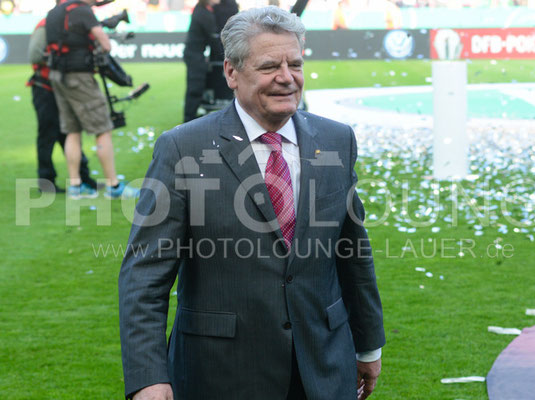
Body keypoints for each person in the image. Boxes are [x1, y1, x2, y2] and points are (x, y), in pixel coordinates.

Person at [119, 6, 384, 400]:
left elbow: (352, 251)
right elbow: (145, 274)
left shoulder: (336, 140)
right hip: (220, 372)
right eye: (268, 66)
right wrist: (148, 376)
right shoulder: (182, 148)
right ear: (231, 72)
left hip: (323, 366)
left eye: (295, 64)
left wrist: (367, 343)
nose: (286, 78)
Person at [45, 0, 139, 199]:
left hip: (57, 75)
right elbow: (105, 44)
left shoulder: (55, 12)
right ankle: (113, 186)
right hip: (80, 77)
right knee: (102, 129)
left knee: (72, 130)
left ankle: (75, 186)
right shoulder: (82, 11)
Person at [27, 0, 100, 194]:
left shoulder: (56, 22)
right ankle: (46, 183)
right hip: (46, 88)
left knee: (69, 133)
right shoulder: (46, 24)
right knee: (49, 136)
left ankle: (84, 179)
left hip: (60, 87)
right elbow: (35, 54)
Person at [183, 0, 221, 122]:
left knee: (195, 88)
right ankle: (189, 119)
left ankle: (190, 117)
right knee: (195, 88)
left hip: (194, 54)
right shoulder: (204, 13)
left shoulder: (201, 11)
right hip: (195, 55)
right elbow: (212, 38)